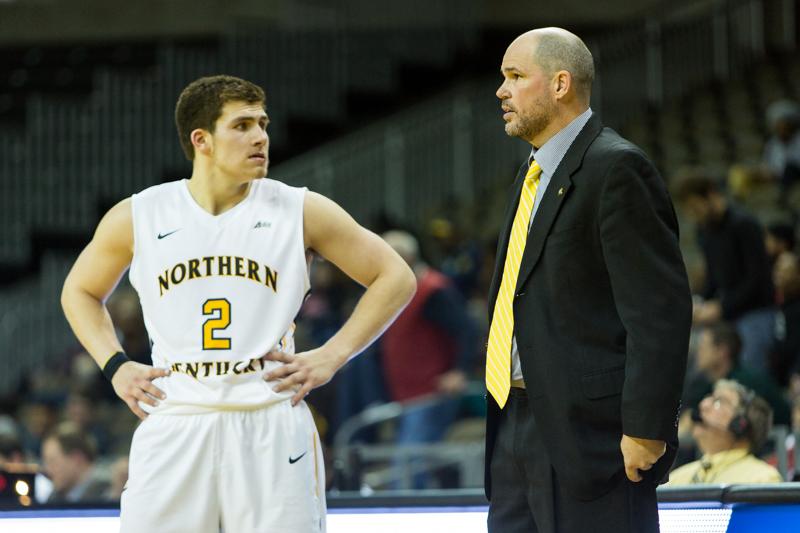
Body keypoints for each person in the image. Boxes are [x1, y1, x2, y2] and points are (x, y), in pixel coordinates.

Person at [61, 75, 416, 532]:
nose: (261, 137)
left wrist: (331, 355)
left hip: (269, 416)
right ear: (201, 140)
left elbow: (396, 276)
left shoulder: (299, 209)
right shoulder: (140, 214)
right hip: (178, 415)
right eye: (243, 125)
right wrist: (115, 365)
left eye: (263, 124)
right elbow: (79, 291)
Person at [485, 28, 691, 533]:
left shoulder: (617, 168)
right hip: (514, 421)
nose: (501, 91)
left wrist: (646, 428)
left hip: (592, 438)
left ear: (560, 84)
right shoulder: (532, 172)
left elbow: (658, 313)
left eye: (515, 76)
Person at [381, 229, 479, 488]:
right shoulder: (404, 289)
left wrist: (460, 371)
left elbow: (467, 329)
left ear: (404, 258)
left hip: (430, 394)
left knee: (406, 475)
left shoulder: (432, 291)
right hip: (409, 394)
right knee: (411, 469)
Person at [674, 170, 776, 372]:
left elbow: (757, 279)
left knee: (749, 363)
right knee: (694, 355)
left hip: (757, 311)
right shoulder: (704, 231)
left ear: (711, 195)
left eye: (696, 207)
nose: (694, 215)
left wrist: (720, 308)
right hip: (729, 312)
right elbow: (713, 278)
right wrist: (700, 303)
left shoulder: (744, 225)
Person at [667, 380, 781, 484]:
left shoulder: (763, 479)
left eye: (719, 401)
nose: (703, 405)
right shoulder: (676, 479)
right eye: (708, 398)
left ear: (741, 424)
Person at [682, 322, 790, 427]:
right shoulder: (705, 384)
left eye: (704, 346)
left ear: (722, 351)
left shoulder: (747, 382)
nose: (699, 352)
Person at [41, 422, 110, 503]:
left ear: (77, 459)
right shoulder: (55, 496)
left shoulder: (110, 495)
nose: (47, 470)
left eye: (52, 461)